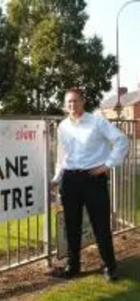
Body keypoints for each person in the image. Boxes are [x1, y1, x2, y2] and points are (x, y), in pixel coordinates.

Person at [51, 87, 128, 281]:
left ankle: (110, 267)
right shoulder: (63, 127)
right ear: (65, 104)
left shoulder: (97, 122)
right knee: (71, 225)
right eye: (68, 102)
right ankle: (73, 266)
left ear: (83, 101)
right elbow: (62, 156)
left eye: (75, 101)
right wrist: (57, 178)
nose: (72, 105)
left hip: (94, 179)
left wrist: (108, 165)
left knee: (101, 225)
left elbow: (121, 140)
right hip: (70, 180)